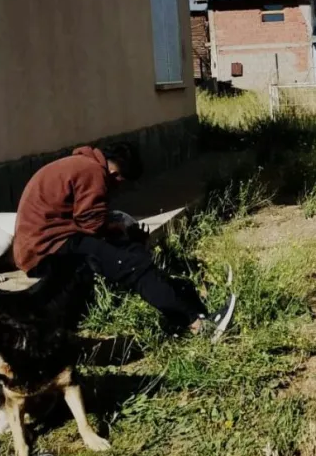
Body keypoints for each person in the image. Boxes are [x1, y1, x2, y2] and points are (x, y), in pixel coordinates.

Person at [13, 144, 236, 338]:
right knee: (132, 266)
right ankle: (197, 325)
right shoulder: (93, 171)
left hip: (51, 241)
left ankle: (190, 306)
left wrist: (125, 237)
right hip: (47, 250)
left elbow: (87, 221)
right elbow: (92, 224)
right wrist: (118, 228)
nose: (118, 185)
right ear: (115, 169)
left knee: (133, 254)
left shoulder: (82, 164)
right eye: (120, 179)